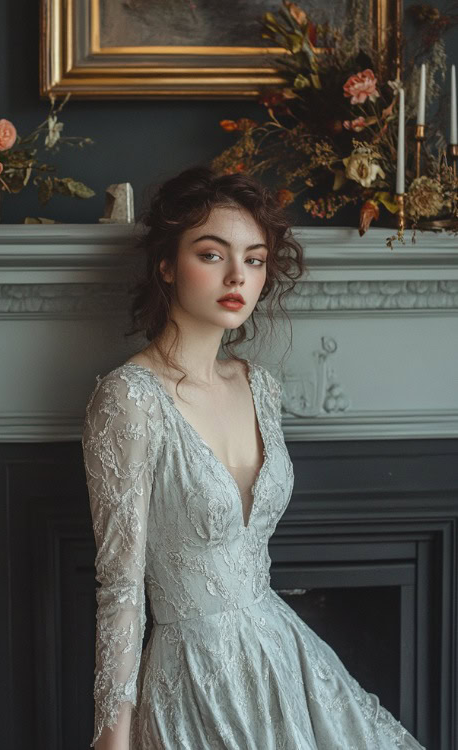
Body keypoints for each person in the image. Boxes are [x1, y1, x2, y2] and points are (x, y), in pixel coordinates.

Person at [81, 166, 426, 749]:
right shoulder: (128, 398)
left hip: (280, 655)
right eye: (212, 255)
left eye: (256, 258)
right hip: (193, 674)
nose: (239, 275)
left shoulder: (259, 385)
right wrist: (111, 741)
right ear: (167, 265)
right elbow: (119, 589)